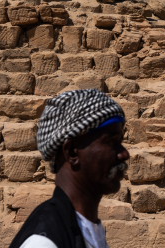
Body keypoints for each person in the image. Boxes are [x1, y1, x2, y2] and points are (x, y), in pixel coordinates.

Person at [9, 89, 128, 248]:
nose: (124, 154)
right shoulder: (44, 242)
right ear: (72, 152)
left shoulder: (86, 229)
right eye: (111, 141)